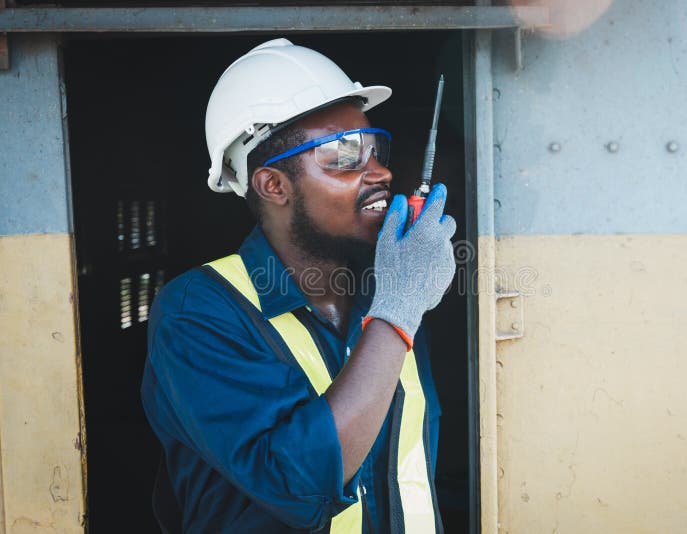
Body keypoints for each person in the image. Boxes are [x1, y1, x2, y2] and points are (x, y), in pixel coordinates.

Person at [141, 38, 457, 533]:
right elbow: (299, 484)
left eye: (376, 149)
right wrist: (398, 312)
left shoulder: (387, 290)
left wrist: (398, 301)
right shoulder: (196, 313)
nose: (382, 172)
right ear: (274, 185)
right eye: (346, 155)